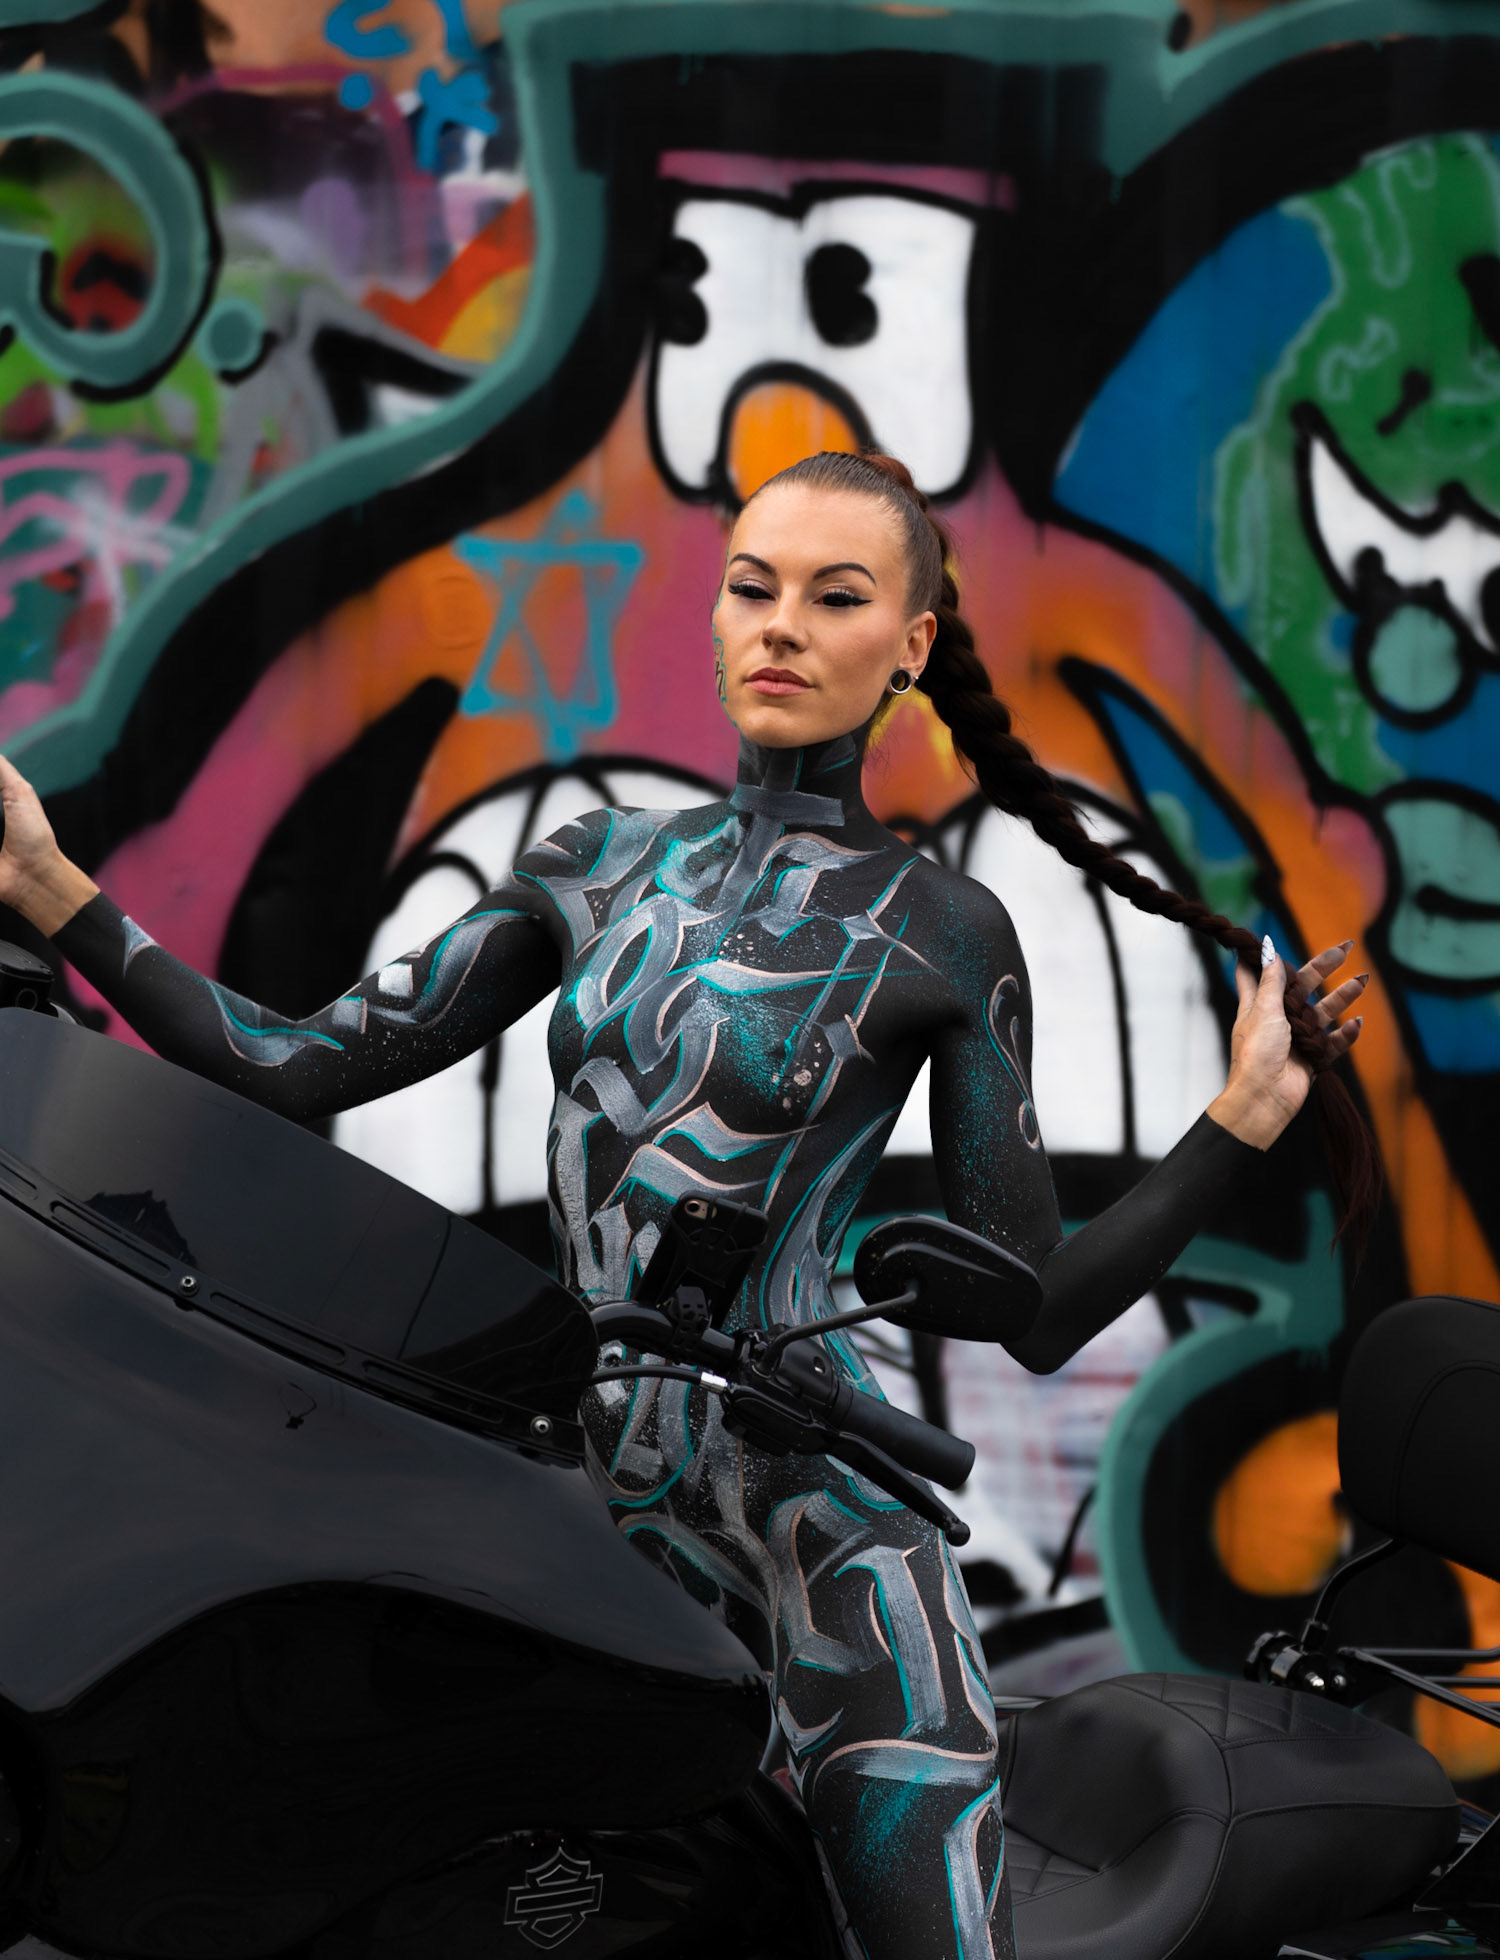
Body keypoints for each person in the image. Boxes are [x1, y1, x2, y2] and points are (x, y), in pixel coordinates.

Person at [0, 450, 1370, 1960]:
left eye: (837, 598)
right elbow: (297, 1062)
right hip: (585, 1531)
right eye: (752, 587)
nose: (781, 625)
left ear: (911, 645)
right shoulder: (597, 867)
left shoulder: (944, 927)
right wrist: (54, 887)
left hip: (822, 1536)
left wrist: (1239, 1124)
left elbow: (1034, 1310)